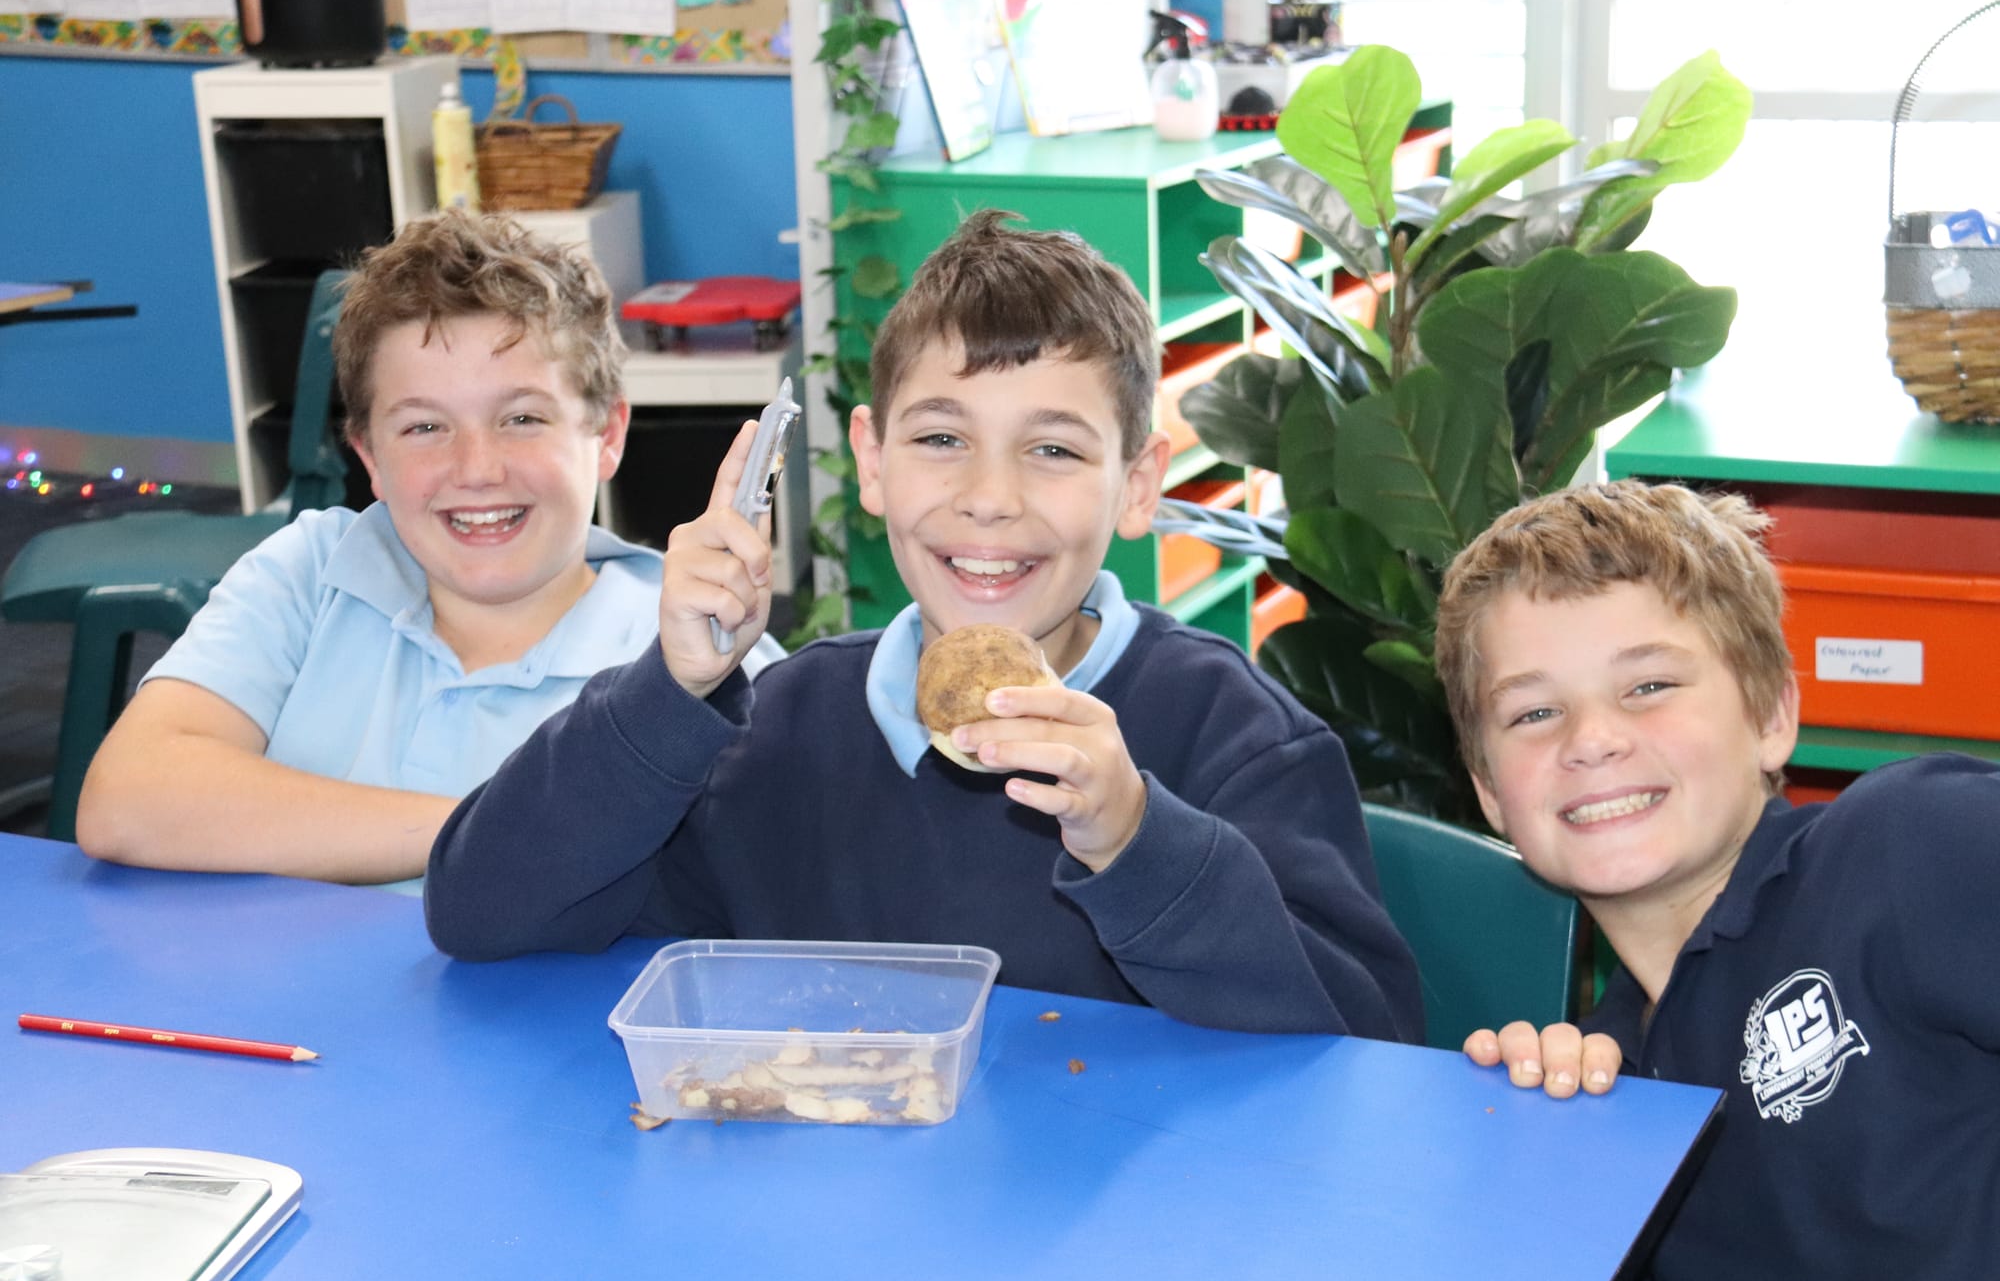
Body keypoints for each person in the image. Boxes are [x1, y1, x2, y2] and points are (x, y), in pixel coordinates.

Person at [425, 209, 1420, 1039]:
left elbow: (1368, 1043)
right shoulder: (773, 732)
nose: (988, 497)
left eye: (1053, 449)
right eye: (941, 437)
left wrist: (1134, 838)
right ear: (871, 460)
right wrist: (669, 692)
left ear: (1137, 482)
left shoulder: (1235, 737)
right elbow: (483, 912)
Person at [1432, 480, 2000, 1281]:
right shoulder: (1602, 1081)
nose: (1591, 739)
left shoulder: (1905, 847)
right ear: (1488, 791)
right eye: (1535, 711)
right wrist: (1545, 1178)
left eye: (1649, 684)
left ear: (1771, 715)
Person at [76, 213, 766, 891]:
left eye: (522, 418)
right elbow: (126, 799)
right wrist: (490, 832)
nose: (477, 468)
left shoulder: (700, 652)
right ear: (370, 458)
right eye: (425, 427)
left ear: (607, 434)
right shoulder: (311, 575)